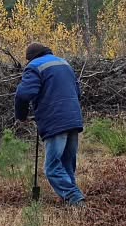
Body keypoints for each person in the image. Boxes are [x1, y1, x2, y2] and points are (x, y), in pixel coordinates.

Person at [13, 42, 86, 206]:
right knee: (67, 162)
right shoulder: (64, 63)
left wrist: (21, 116)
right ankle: (68, 200)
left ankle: (74, 197)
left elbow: (23, 94)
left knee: (52, 167)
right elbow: (77, 92)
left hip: (55, 121)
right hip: (74, 117)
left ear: (30, 58)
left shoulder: (34, 67)